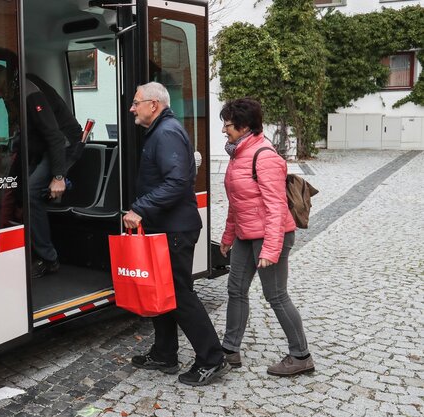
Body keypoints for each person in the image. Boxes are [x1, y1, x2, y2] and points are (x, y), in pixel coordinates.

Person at [124, 82, 229, 386]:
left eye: (136, 102)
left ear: (153, 105)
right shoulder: (161, 130)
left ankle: (212, 358)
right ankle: (164, 353)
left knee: (180, 294)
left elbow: (177, 182)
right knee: (162, 291)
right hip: (166, 227)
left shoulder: (166, 132)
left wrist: (140, 208)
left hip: (175, 229)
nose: (132, 108)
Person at [219, 98, 314, 376]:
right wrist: (228, 236)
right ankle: (230, 350)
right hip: (245, 235)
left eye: (228, 125)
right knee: (235, 290)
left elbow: (276, 207)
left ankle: (301, 355)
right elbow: (238, 202)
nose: (224, 130)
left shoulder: (265, 156)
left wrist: (270, 250)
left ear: (244, 126)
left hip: (271, 237)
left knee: (276, 295)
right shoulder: (238, 155)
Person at [0, 64, 82, 279]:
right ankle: (22, 248)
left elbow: (54, 136)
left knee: (30, 193)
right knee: (15, 186)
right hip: (42, 146)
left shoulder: (29, 92)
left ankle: (49, 259)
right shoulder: (13, 93)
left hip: (63, 144)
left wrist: (58, 177)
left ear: (6, 81)